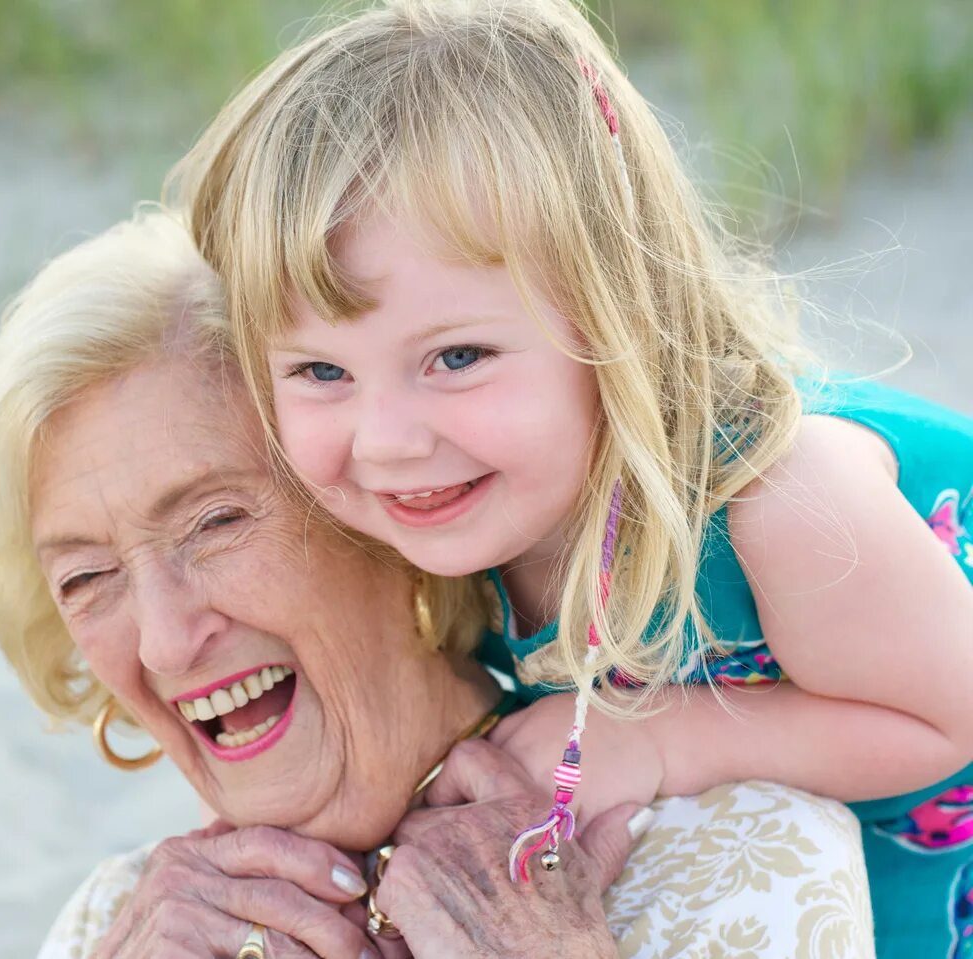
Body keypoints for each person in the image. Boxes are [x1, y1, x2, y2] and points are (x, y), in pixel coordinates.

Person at [173, 0, 973, 953]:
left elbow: (943, 715)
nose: (383, 441)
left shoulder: (782, 496)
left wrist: (656, 742)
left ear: (614, 315)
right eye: (320, 372)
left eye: (458, 356)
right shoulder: (430, 508)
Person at [0, 210, 873, 958]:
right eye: (87, 577)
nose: (160, 639)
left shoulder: (739, 852)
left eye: (217, 522)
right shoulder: (117, 924)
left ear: (394, 511)